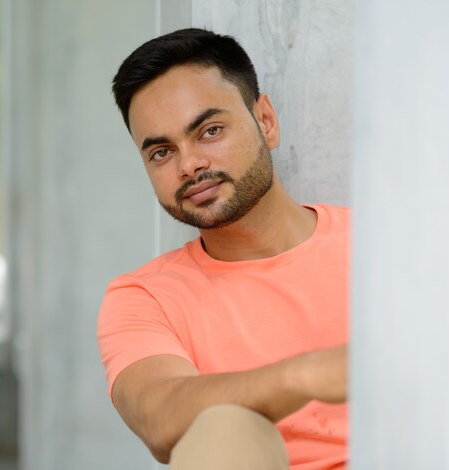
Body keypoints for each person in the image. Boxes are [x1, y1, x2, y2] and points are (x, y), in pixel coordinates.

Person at [97, 28, 348, 469]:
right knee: (225, 428)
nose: (189, 165)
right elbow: (158, 416)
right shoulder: (144, 298)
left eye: (210, 131)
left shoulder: (390, 250)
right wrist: (303, 376)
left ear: (265, 122)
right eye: (161, 152)